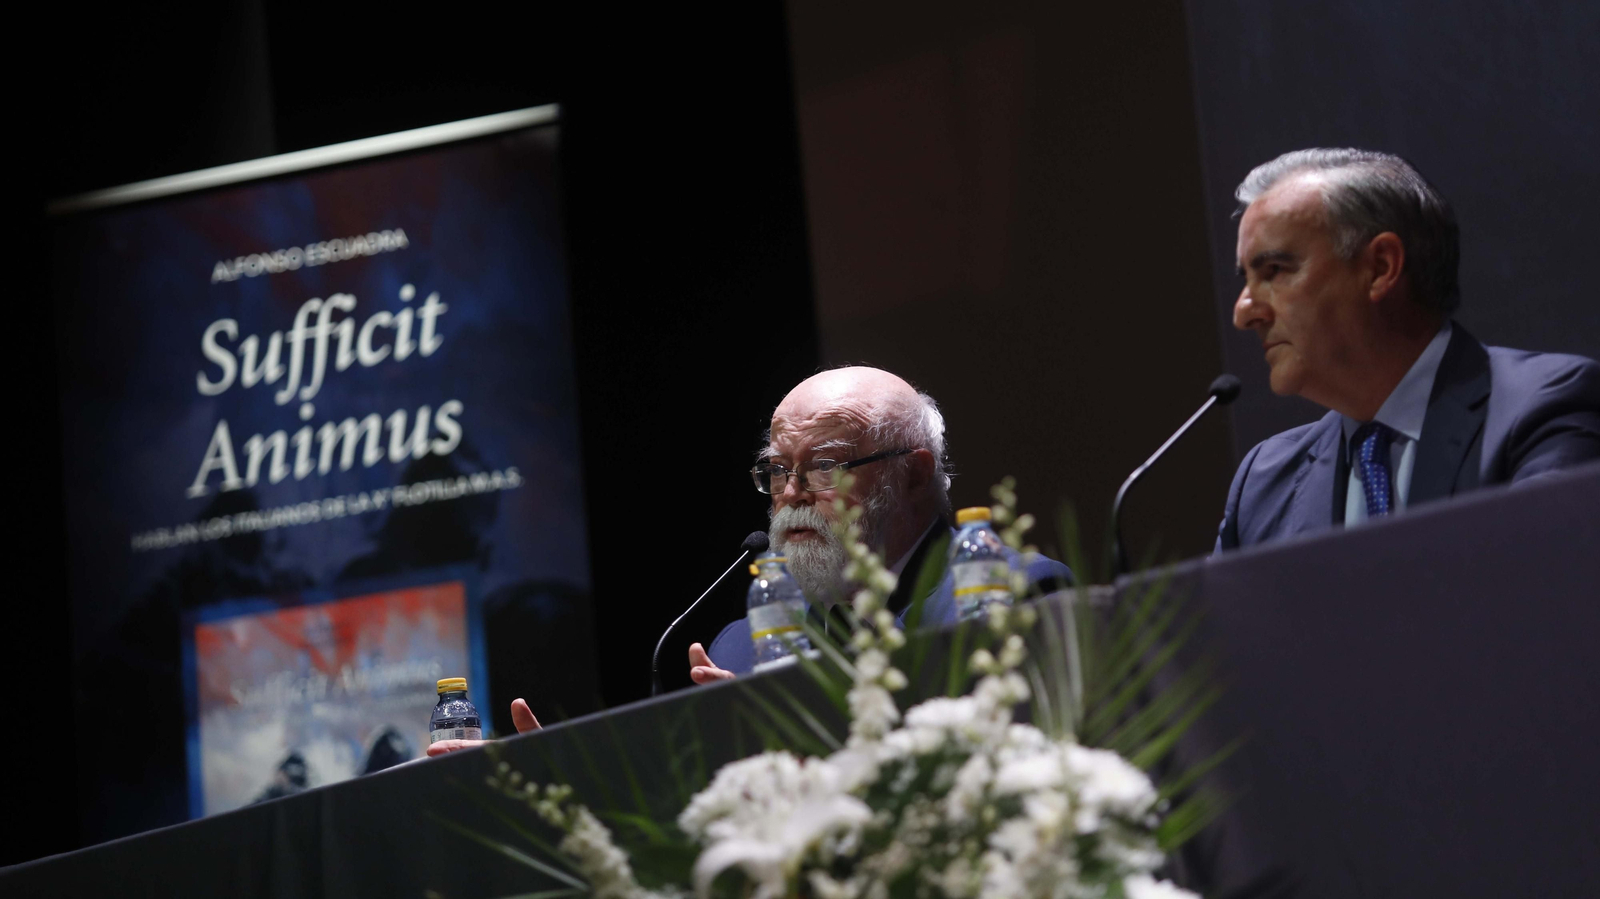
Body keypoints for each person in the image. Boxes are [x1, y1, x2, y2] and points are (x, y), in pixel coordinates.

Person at [1217, 148, 1600, 551]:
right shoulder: (1263, 484)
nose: (1243, 313)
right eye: (1247, 279)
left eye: (1274, 271)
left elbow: (1542, 580)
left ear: (1380, 268)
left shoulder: (1545, 410)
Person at [689, 366, 1071, 682]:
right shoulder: (739, 652)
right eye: (777, 469)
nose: (791, 493)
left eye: (824, 466)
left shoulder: (1013, 598)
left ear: (914, 475)